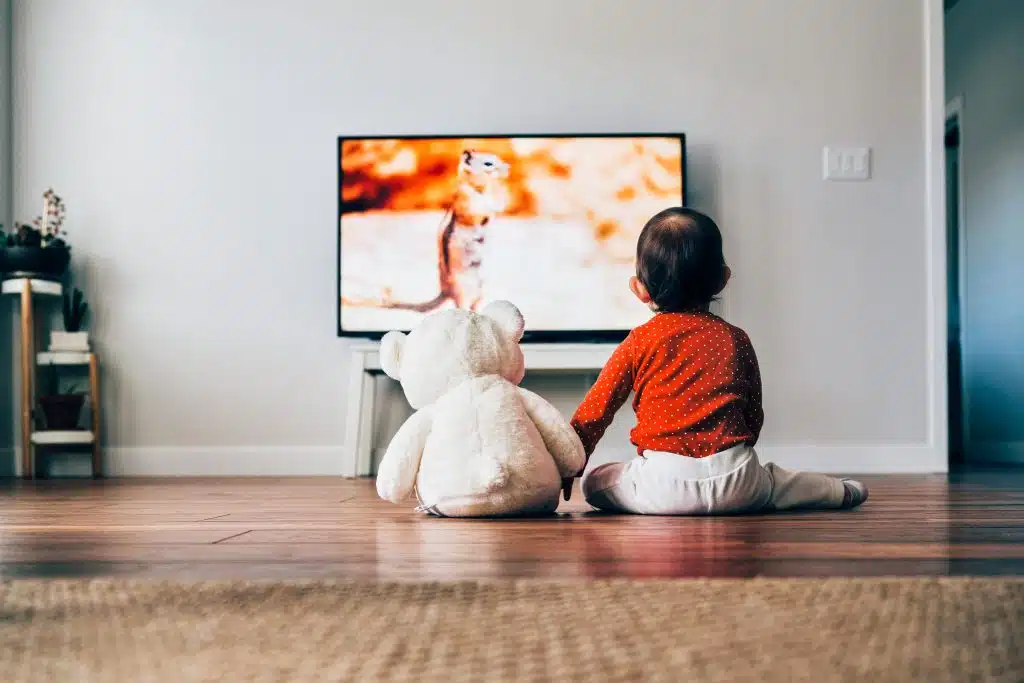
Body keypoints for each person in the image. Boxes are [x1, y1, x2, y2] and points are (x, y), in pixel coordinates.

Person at [563, 207, 868, 515]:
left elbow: (594, 413)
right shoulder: (735, 338)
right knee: (777, 482)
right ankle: (840, 491)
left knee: (595, 483)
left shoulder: (639, 341)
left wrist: (569, 467)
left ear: (639, 288)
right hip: (738, 482)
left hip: (664, 488)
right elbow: (753, 414)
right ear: (722, 279)